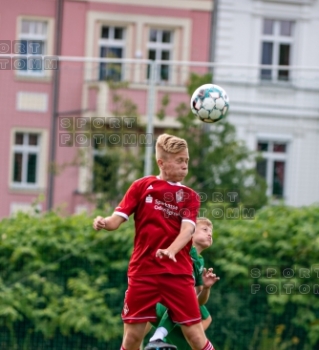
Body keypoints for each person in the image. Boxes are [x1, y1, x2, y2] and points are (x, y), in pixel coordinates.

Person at [93, 133, 215, 350]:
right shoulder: (141, 186)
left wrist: (171, 250)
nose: (185, 165)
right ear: (162, 162)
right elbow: (116, 219)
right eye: (179, 160)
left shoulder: (190, 196)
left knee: (196, 336)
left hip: (177, 274)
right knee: (131, 339)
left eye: (186, 160)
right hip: (143, 272)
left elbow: (188, 230)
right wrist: (104, 222)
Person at [145, 217, 219, 350]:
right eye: (205, 229)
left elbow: (197, 302)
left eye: (211, 232)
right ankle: (157, 338)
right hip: (157, 301)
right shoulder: (182, 247)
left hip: (172, 311)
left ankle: (157, 339)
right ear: (190, 231)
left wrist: (206, 288)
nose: (210, 234)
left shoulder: (199, 262)